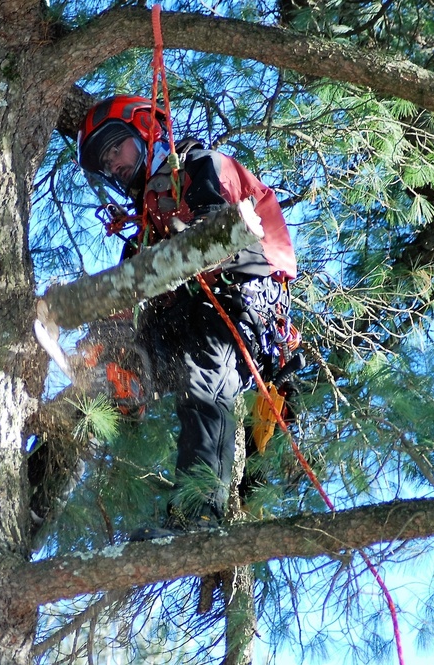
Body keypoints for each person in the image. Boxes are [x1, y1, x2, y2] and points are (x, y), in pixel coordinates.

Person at [76, 95, 298, 536]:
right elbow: (129, 281)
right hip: (183, 309)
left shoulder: (202, 166)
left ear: (145, 129)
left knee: (203, 381)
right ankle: (87, 419)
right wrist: (106, 335)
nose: (114, 164)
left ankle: (197, 516)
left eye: (116, 147)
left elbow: (221, 229)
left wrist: (185, 237)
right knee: (124, 358)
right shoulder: (146, 223)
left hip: (238, 297)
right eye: (106, 162)